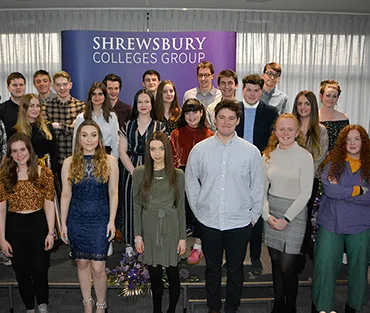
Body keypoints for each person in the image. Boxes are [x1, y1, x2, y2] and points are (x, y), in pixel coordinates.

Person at [185, 100, 264, 313]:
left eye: (231, 118)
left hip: (239, 222)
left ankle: (231, 308)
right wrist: (198, 211)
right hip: (208, 221)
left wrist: (253, 217)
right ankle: (213, 309)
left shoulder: (251, 152)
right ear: (214, 119)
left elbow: (258, 187)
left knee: (235, 270)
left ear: (238, 121)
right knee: (211, 269)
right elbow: (191, 182)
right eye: (222, 117)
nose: (226, 122)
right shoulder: (200, 150)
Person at [60, 120, 118, 313]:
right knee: (82, 262)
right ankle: (87, 303)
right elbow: (66, 195)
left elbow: (113, 193)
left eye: (93, 135)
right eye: (84, 135)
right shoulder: (69, 162)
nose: (89, 139)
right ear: (78, 138)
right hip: (76, 218)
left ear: (99, 138)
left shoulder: (110, 161)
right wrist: (63, 223)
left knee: (99, 267)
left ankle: (101, 304)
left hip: (100, 217)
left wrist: (112, 221)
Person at [311, 125, 370, 313]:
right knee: (325, 266)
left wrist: (343, 192)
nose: (352, 143)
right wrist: (358, 190)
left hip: (361, 224)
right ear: (342, 143)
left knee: (359, 269)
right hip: (331, 223)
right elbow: (330, 190)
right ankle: (322, 307)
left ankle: (354, 305)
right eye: (348, 140)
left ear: (364, 142)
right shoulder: (332, 162)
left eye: (357, 139)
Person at [262, 113, 314, 313]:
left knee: (286, 267)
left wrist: (286, 218)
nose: (285, 133)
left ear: (297, 131)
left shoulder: (304, 156)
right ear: (275, 132)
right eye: (281, 129)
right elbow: (261, 190)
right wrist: (266, 216)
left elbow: (306, 193)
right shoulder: (267, 155)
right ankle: (278, 305)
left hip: (295, 214)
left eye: (289, 129)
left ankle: (290, 307)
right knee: (275, 263)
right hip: (272, 213)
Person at [0, 133, 55, 313]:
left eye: (22, 149)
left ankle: (42, 303)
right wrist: (1, 239)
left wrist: (50, 231)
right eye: (14, 151)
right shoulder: (5, 175)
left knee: (40, 269)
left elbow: (49, 203)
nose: (19, 155)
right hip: (15, 226)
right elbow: (1, 209)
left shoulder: (44, 173)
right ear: (10, 154)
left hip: (38, 223)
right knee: (21, 272)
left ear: (29, 150)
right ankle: (29, 308)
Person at [133, 131, 186, 313]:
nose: (157, 153)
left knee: (173, 274)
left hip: (171, 227)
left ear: (168, 150)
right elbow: (136, 206)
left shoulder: (178, 174)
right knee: (154, 275)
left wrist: (182, 238)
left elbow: (180, 208)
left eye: (161, 148)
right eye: (153, 149)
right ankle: (157, 310)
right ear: (148, 151)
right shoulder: (140, 173)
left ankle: (171, 310)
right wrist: (138, 236)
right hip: (149, 226)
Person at [235, 74, 279, 275]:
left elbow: (274, 140)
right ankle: (234, 256)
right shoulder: (233, 110)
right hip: (235, 167)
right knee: (235, 211)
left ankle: (255, 257)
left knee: (256, 213)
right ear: (242, 90)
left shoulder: (271, 112)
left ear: (262, 92)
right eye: (249, 89)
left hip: (261, 167)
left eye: (256, 90)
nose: (252, 94)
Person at [170, 98, 213, 264]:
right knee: (179, 213)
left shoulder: (209, 134)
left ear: (201, 113)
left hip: (202, 179)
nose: (191, 115)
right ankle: (177, 246)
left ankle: (197, 247)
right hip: (180, 176)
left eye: (195, 111)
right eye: (188, 112)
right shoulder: (176, 133)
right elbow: (172, 157)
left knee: (199, 213)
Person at [119, 89, 165, 247]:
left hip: (154, 169)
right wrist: (134, 171)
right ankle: (130, 244)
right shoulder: (127, 125)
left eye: (147, 101)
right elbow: (122, 152)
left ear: (152, 104)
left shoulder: (159, 127)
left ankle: (151, 244)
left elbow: (163, 152)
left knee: (152, 206)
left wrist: (151, 171)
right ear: (135, 104)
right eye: (140, 102)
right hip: (130, 170)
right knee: (131, 205)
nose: (143, 105)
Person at [292, 91, 329, 265]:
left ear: (313, 106)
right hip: (288, 181)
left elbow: (320, 158)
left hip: (309, 181)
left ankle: (301, 251)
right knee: (289, 214)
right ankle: (290, 248)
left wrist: (302, 176)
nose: (303, 107)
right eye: (299, 103)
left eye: (307, 103)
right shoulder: (290, 126)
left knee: (304, 216)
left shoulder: (321, 131)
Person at [42, 70, 85, 182]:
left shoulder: (81, 106)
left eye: (65, 84)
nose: (62, 88)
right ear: (53, 87)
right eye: (58, 85)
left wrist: (58, 126)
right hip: (55, 160)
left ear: (70, 85)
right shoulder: (46, 107)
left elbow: (81, 132)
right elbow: (46, 132)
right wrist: (71, 127)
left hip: (76, 159)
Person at [73, 82, 119, 159]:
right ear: (90, 97)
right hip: (85, 156)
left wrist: (113, 161)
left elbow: (116, 142)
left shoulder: (112, 117)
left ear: (105, 96)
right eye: (94, 94)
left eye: (100, 94)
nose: (97, 97)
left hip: (106, 156)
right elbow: (76, 142)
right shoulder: (81, 118)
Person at [14, 93, 59, 174]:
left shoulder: (47, 127)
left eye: (38, 106)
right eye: (31, 106)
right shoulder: (16, 130)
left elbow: (54, 151)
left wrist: (52, 171)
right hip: (26, 171)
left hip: (46, 170)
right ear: (24, 108)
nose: (35, 109)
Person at [319, 80, 349, 152]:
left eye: (334, 96)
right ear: (321, 96)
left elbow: (346, 142)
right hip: (317, 160)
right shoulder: (313, 117)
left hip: (338, 160)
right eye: (328, 95)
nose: (331, 99)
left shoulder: (343, 118)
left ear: (338, 98)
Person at [0, 72, 26, 139]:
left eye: (21, 85)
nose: (18, 87)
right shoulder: (2, 109)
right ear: (8, 88)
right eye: (14, 85)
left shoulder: (32, 107)